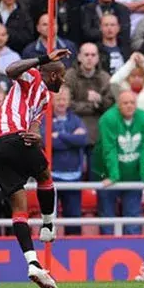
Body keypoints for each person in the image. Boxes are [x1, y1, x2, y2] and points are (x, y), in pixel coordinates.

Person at [0, 48, 71, 288]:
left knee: (19, 206)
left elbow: (34, 125)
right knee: (45, 174)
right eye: (62, 76)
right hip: (11, 137)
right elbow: (10, 69)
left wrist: (36, 134)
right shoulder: (32, 75)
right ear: (53, 75)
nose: (63, 81)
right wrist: (44, 59)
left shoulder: (44, 99)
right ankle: (48, 224)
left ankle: (33, 264)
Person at [92, 90, 144, 235]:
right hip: (106, 174)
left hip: (132, 175)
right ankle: (105, 247)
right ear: (118, 105)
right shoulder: (108, 119)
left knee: (133, 219)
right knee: (107, 219)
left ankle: (135, 249)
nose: (129, 106)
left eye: (132, 103)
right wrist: (114, 176)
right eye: (125, 103)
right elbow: (109, 149)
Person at [42, 85, 89, 236]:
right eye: (58, 99)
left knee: (74, 217)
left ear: (69, 101)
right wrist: (71, 138)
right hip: (52, 178)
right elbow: (47, 142)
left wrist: (60, 135)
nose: (61, 102)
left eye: (64, 99)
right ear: (52, 101)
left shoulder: (76, 120)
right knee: (50, 219)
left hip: (73, 177)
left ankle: (74, 247)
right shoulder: (44, 120)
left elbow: (82, 140)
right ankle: (50, 248)